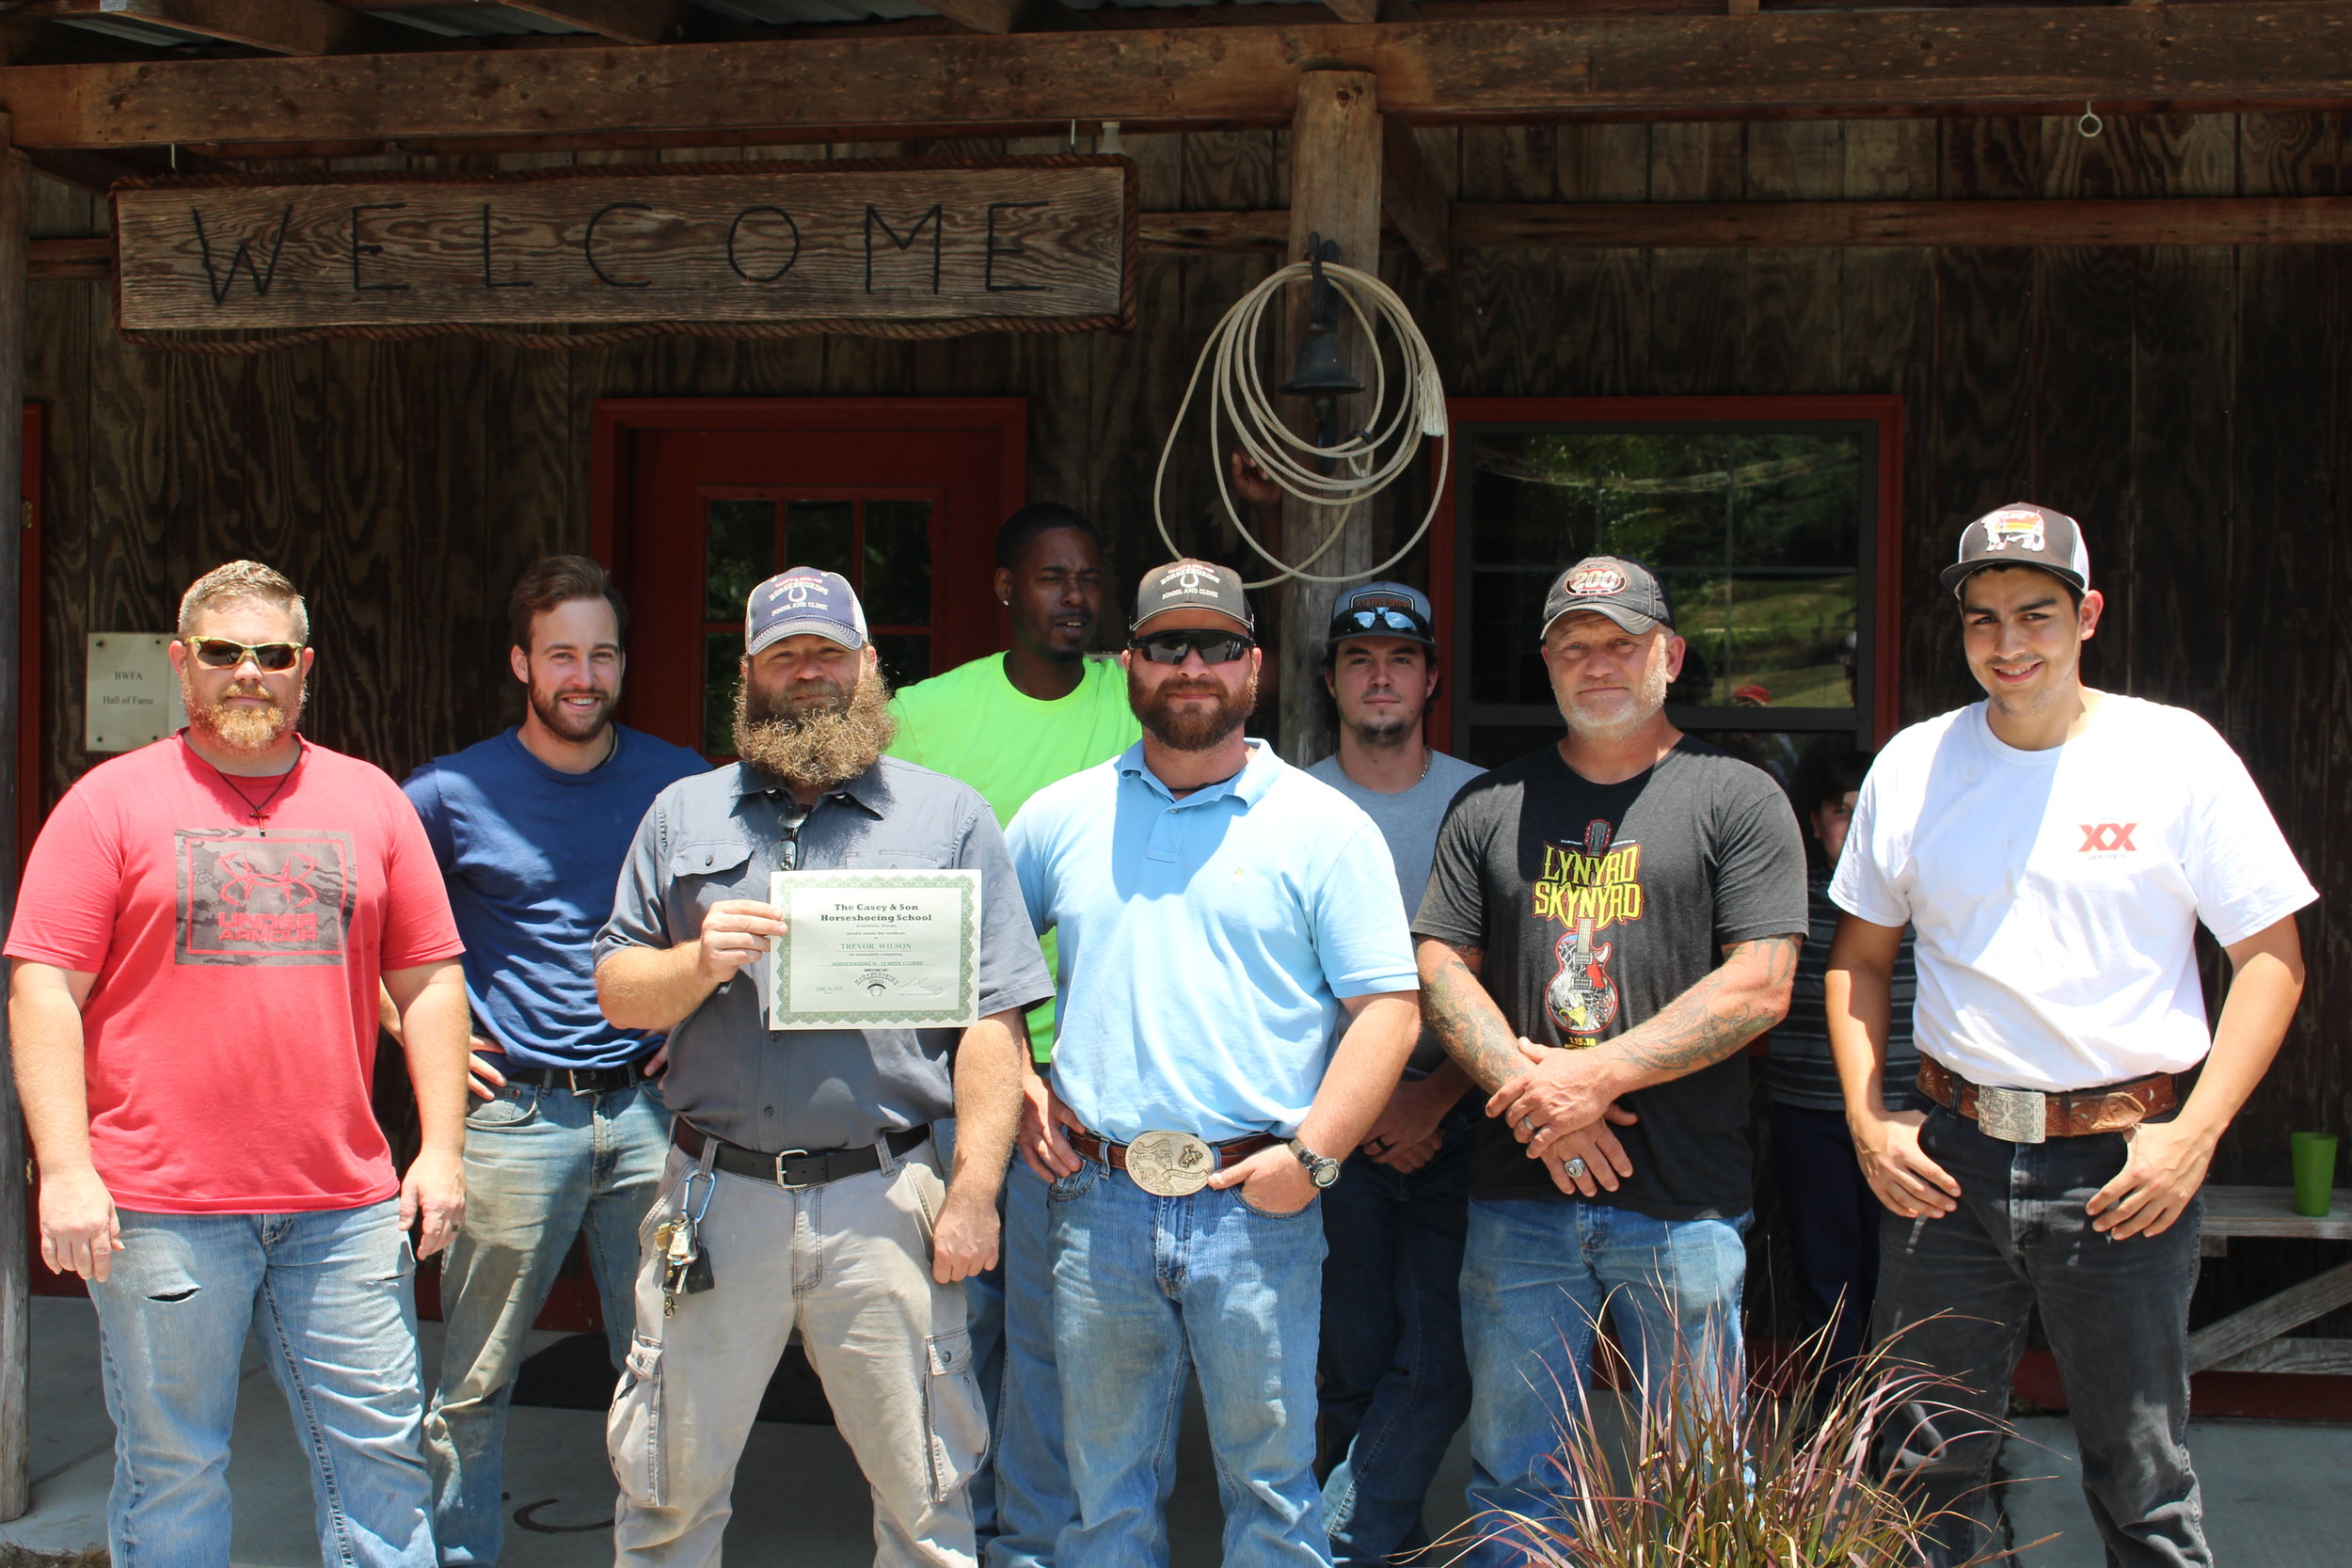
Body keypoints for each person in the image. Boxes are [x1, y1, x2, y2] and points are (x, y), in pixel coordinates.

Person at [1827, 503, 2313, 1567]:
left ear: (2087, 614)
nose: (2010, 644)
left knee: (2138, 1471)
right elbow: (1857, 959)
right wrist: (1870, 1118)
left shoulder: (2172, 755)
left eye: (2037, 614)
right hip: (1946, 1163)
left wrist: (2194, 1135)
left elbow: (2271, 959)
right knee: (1920, 1465)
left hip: (2120, 1164)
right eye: (1984, 619)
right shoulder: (1916, 763)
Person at [7, 560, 471, 1568]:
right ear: (183, 665)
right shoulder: (109, 803)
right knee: (174, 1467)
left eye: (270, 654)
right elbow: (43, 988)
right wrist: (67, 1166)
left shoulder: (371, 801)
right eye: (223, 652)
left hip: (342, 1203)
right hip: (161, 1205)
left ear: (305, 669)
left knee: (383, 1461)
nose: (247, 672)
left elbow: (430, 980)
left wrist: (440, 1148)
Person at [596, 566, 1052, 1568]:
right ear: (749, 673)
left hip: (886, 1200)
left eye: (828, 653)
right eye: (784, 655)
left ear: (868, 665)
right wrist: (695, 960)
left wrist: (974, 1191)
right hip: (715, 1196)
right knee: (666, 1492)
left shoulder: (949, 818)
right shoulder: (683, 812)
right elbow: (617, 987)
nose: (809, 673)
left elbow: (991, 1024)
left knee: (926, 1502)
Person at [1005, 558, 1421, 1568]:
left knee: (1275, 1497)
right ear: (1129, 664)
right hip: (1097, 1197)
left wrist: (1313, 1158)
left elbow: (1389, 1013)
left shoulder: (1324, 826)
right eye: (1164, 644)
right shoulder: (1058, 815)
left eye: (1217, 645)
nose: (1192, 665)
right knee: (1103, 1495)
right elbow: (987, 977)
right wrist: (1018, 1079)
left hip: (1257, 1200)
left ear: (1254, 665)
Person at [1412, 555, 1807, 1564]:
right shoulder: (1488, 804)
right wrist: (1535, 1090)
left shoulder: (1737, 796)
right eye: (1572, 645)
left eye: (1621, 643)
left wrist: (1596, 1077)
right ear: (1545, 663)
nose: (1597, 664)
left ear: (1668, 656)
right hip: (1517, 1194)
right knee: (1515, 1470)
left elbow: (1759, 984)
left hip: (1681, 1199)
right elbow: (1440, 968)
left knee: (1702, 1471)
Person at [403, 556, 707, 1566]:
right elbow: (362, 924)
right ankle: (458, 1552)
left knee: (662, 1361)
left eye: (602, 652)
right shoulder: (451, 790)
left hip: (647, 1118)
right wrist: (410, 1028)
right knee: (476, 1375)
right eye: (562, 653)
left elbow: (728, 927)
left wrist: (690, 1033)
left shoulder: (678, 780)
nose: (583, 673)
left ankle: (657, 1553)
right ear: (521, 662)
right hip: (512, 1117)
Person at [885, 504, 1138, 1568]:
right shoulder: (922, 712)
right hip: (938, 1066)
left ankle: (1028, 1539)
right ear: (1004, 587)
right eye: (1049, 577)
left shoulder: (1135, 696)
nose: (1072, 595)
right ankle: (948, 1526)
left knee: (1045, 1335)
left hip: (1068, 1078)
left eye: (1087, 577)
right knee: (945, 1328)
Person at [1301, 580, 1486, 1568]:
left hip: (1459, 1120)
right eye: (1360, 659)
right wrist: (1357, 1108)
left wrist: (1434, 1092)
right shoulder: (1283, 802)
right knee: (1348, 1361)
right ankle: (1383, 1546)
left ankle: (1336, 1543)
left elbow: (1519, 969)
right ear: (1331, 678)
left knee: (1441, 1359)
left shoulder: (1487, 798)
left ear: (1429, 679)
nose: (1381, 675)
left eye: (1401, 659)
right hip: (1331, 1123)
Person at [1762, 747, 1919, 1390]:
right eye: (1838, 812)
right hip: (1807, 1111)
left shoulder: (1914, 897)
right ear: (1812, 821)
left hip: (1907, 1111)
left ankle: (1898, 1431)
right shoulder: (1784, 901)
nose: (1851, 827)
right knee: (1827, 1272)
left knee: (1903, 1274)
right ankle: (1833, 1427)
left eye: (1864, 812)